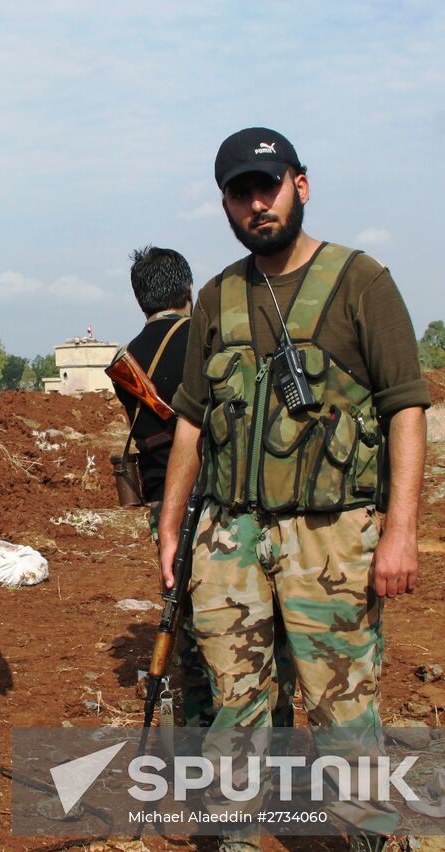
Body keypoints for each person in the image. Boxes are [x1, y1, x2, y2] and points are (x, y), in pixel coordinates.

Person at [157, 128, 430, 852]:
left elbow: (405, 407)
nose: (256, 202)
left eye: (268, 186)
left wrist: (400, 530)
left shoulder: (361, 282)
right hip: (230, 533)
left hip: (331, 533)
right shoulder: (216, 296)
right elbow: (189, 423)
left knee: (343, 706)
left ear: (301, 185)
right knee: (235, 702)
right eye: (241, 191)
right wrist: (170, 529)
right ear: (225, 204)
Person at [116, 246, 297, 731]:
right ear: (189, 290)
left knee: (189, 619)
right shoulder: (208, 336)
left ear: (140, 300)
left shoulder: (128, 361)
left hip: (165, 505)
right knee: (256, 619)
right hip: (222, 497)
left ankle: (198, 729)